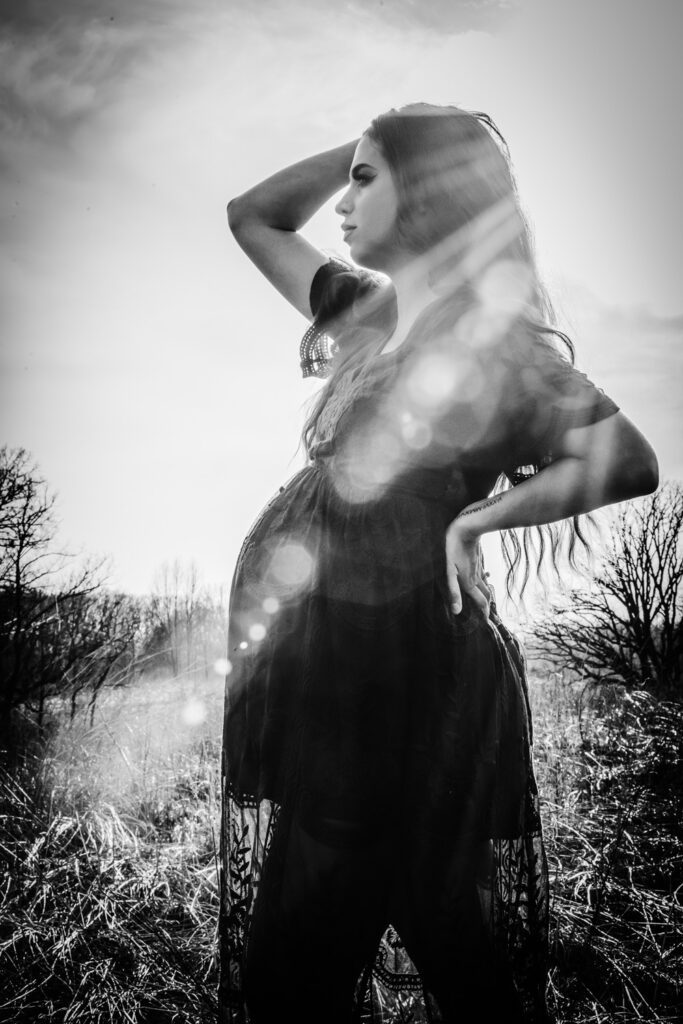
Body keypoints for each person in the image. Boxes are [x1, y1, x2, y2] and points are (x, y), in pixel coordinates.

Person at [218, 104, 658, 1024]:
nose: (341, 201)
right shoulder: (365, 313)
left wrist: (475, 522)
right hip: (331, 667)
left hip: (408, 667)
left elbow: (627, 462)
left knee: (370, 947)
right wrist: (376, 137)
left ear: (421, 192)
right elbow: (253, 217)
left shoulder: (488, 341)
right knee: (357, 942)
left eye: (366, 180)